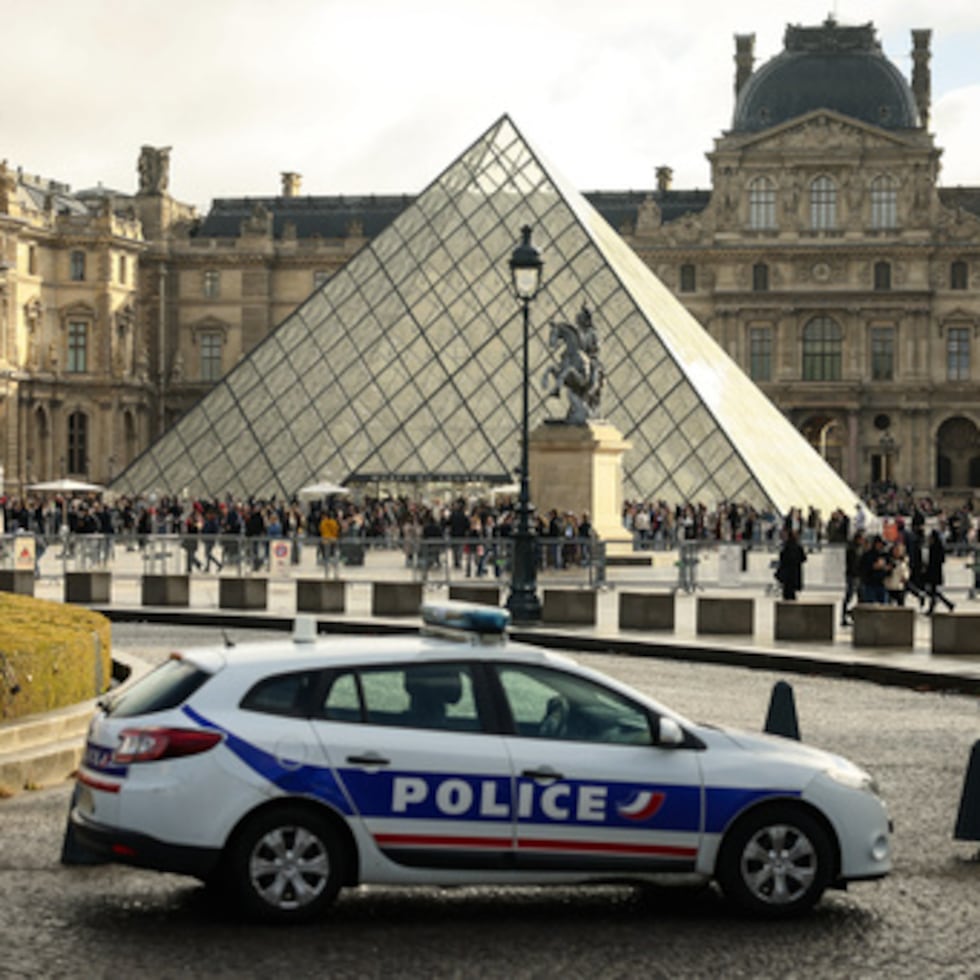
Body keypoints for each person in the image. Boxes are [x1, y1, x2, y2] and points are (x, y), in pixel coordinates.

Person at [924, 528, 955, 614]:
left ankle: (946, 604)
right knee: (934, 592)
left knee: (933, 591)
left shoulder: (935, 547)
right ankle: (947, 604)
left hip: (934, 572)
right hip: (936, 572)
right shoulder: (937, 546)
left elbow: (934, 561)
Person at [841, 530, 865, 625]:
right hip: (853, 576)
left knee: (861, 597)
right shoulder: (852, 549)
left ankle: (855, 614)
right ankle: (845, 615)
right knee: (849, 596)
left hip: (858, 576)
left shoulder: (860, 548)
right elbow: (852, 563)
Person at [776, 528, 806, 600]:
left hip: (786, 573)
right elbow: (803, 558)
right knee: (792, 592)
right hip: (795, 572)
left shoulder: (786, 547)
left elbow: (782, 558)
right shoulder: (798, 547)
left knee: (786, 591)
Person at [884, 541, 910, 605]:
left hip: (899, 587)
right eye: (896, 550)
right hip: (889, 587)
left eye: (899, 550)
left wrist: (906, 577)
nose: (897, 552)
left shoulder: (904, 561)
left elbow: (906, 571)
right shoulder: (888, 559)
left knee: (901, 606)